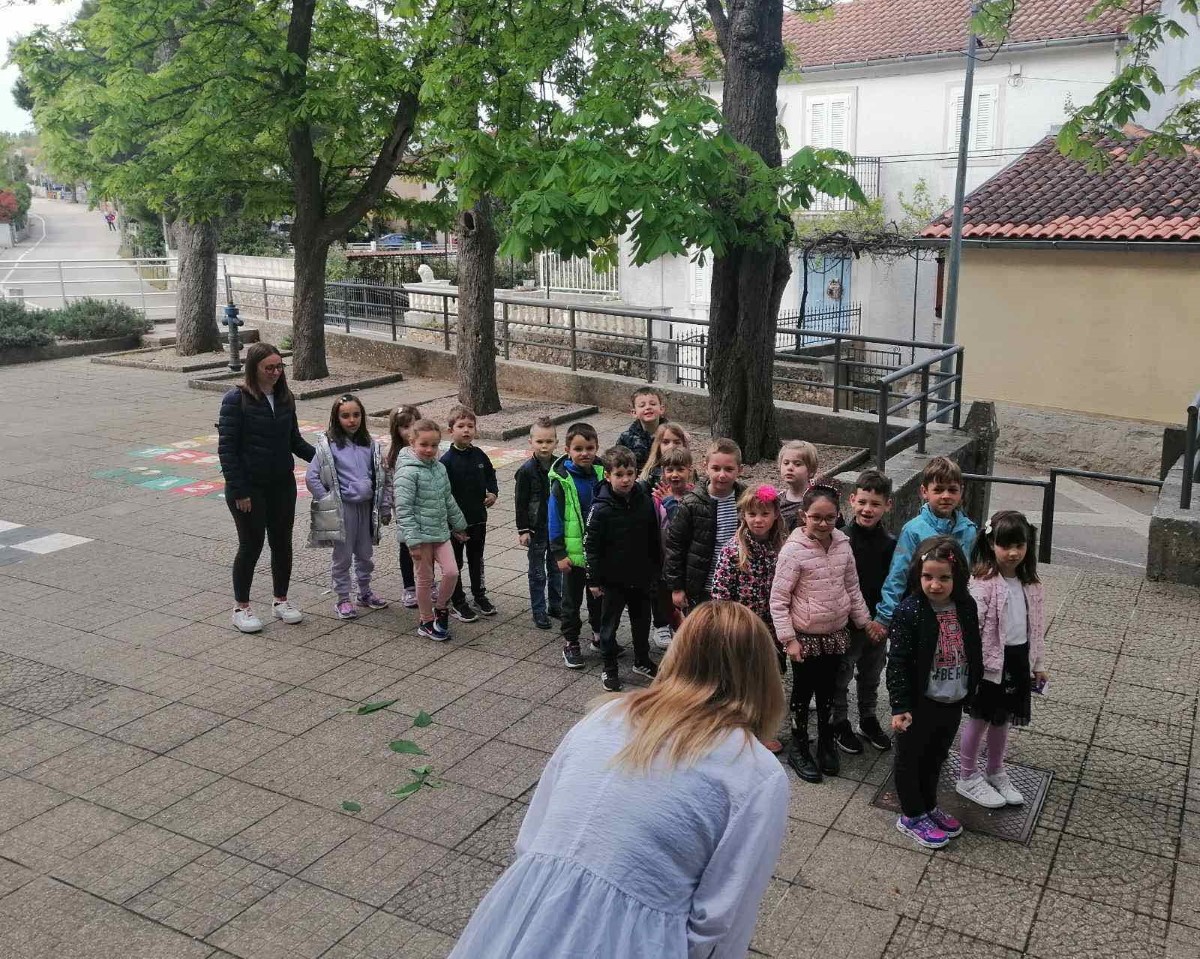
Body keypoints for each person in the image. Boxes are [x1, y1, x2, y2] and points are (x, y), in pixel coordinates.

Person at [448, 601, 790, 959]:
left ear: (678, 654)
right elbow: (721, 917)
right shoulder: (756, 773)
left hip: (525, 915)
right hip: (636, 941)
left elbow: (532, 835)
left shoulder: (608, 713)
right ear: (762, 674)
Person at [770, 480, 876, 783]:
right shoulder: (793, 551)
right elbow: (778, 599)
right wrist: (789, 639)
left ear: (838, 516)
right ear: (803, 515)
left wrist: (865, 621)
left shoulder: (843, 545)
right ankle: (800, 745)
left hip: (835, 633)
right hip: (804, 637)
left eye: (830, 517)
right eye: (816, 517)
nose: (823, 523)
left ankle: (826, 741)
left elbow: (852, 587)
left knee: (829, 690)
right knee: (803, 692)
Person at [886, 535, 982, 850]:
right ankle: (912, 814)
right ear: (918, 574)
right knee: (910, 758)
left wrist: (973, 689)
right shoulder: (910, 610)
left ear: (958, 577)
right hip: (919, 702)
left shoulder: (966, 606)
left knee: (936, 756)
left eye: (944, 578)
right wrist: (900, 706)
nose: (935, 585)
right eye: (927, 576)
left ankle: (928, 805)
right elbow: (898, 662)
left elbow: (973, 648)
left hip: (952, 698)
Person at [217, 343, 315, 634]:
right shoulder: (235, 399)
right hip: (249, 488)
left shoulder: (285, 397)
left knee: (282, 543)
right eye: (268, 368)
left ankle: (280, 601)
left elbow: (294, 441)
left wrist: (326, 458)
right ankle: (241, 608)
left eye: (279, 367)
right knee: (251, 545)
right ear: (254, 368)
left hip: (282, 484)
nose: (275, 372)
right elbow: (227, 450)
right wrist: (240, 490)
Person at [957, 510, 1048, 809]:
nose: (1013, 553)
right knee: (980, 718)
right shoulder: (982, 583)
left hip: (1018, 659)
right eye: (1005, 545)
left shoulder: (1031, 584)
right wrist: (969, 665)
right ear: (990, 544)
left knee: (1003, 718)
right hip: (989, 664)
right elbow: (972, 628)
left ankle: (995, 770)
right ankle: (967, 775)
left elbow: (1037, 626)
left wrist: (1038, 664)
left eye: (1019, 545)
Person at [711, 485, 789, 752]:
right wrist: (728, 627)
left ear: (775, 515)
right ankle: (736, 730)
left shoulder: (782, 547)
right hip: (742, 628)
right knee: (740, 681)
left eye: (764, 513)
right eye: (752, 513)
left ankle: (762, 729)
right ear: (743, 515)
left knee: (767, 679)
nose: (758, 519)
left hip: (773, 628)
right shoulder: (733, 550)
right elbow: (720, 594)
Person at [305, 394, 391, 618]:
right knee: (342, 556)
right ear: (336, 418)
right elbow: (312, 477)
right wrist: (328, 501)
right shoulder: (328, 447)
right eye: (345, 416)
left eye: (356, 415)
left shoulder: (371, 445)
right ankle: (343, 598)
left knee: (365, 554)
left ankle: (364, 592)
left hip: (366, 508)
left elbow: (382, 478)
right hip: (343, 510)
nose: (352, 420)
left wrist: (384, 506)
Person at [586, 446, 663, 692]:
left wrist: (655, 569)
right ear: (607, 475)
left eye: (630, 473)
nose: (626, 479)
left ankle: (642, 660)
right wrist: (593, 579)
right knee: (609, 625)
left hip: (641, 576)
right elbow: (591, 546)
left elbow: (653, 536)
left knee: (642, 621)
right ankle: (609, 668)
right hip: (613, 580)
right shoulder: (600, 508)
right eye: (619, 474)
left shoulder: (644, 500)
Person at [831, 469, 897, 755]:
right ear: (852, 500)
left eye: (875, 504)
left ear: (887, 505)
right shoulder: (840, 540)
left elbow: (893, 583)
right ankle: (839, 721)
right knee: (841, 675)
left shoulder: (891, 544)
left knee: (871, 675)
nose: (867, 509)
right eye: (862, 502)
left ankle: (867, 718)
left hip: (877, 624)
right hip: (847, 624)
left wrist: (883, 621)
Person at [875, 456, 977, 632]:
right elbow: (898, 575)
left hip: (956, 612)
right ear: (924, 491)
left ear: (961, 491)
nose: (946, 496)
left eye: (952, 490)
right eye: (938, 490)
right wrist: (884, 617)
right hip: (920, 612)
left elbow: (972, 573)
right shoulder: (913, 530)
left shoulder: (969, 530)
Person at [394, 418, 469, 642]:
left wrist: (459, 525)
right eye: (424, 445)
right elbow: (404, 510)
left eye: (434, 445)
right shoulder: (407, 472)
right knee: (425, 580)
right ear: (412, 443)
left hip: (440, 533)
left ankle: (441, 608)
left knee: (451, 572)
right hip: (420, 538)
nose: (429, 450)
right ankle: (426, 621)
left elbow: (448, 499)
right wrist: (412, 542)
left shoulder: (439, 468)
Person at [665, 438, 745, 613]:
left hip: (736, 585)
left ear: (740, 470)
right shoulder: (691, 503)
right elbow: (675, 546)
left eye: (729, 469)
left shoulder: (745, 499)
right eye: (716, 468)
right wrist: (677, 587)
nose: (722, 475)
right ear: (705, 467)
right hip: (702, 585)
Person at [549, 422, 605, 669]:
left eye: (589, 448)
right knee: (571, 602)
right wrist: (559, 552)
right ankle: (571, 642)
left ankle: (599, 636)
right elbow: (554, 518)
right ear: (567, 450)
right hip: (572, 555)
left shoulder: (602, 474)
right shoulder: (562, 481)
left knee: (598, 597)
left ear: (596, 448)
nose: (584, 453)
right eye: (578, 449)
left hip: (598, 553)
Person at [441, 405, 499, 622]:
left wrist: (493, 492)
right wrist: (452, 525)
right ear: (450, 431)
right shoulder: (446, 462)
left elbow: (491, 475)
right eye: (461, 426)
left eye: (470, 426)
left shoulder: (479, 455)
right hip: (456, 525)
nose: (466, 430)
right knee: (455, 563)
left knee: (477, 559)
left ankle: (479, 595)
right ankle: (457, 601)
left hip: (478, 520)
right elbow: (444, 495)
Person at [515, 417, 562, 630]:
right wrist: (523, 530)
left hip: (556, 527)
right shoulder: (526, 471)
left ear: (556, 442)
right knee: (537, 572)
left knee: (556, 568)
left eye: (549, 441)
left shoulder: (561, 466)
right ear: (531, 442)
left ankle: (556, 605)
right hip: (535, 528)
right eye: (540, 441)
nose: (544, 446)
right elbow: (521, 502)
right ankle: (538, 610)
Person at [650, 445, 695, 649]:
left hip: (686, 563)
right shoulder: (656, 498)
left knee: (685, 603)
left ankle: (686, 638)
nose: (674, 475)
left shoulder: (693, 497)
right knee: (664, 599)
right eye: (669, 470)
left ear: (690, 470)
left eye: (680, 469)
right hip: (663, 560)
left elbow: (682, 527)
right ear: (662, 472)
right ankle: (666, 628)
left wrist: (669, 502)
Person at [385, 404, 422, 609]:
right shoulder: (391, 455)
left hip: (425, 506)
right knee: (406, 545)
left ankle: (427, 581)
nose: (409, 431)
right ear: (396, 430)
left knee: (428, 545)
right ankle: (409, 587)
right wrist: (388, 507)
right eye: (404, 427)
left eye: (413, 425)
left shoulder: (427, 449)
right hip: (403, 508)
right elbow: (388, 484)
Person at [617, 386, 667, 472]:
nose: (648, 407)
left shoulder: (671, 435)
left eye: (653, 404)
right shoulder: (626, 438)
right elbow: (616, 462)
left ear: (661, 409)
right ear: (634, 412)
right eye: (642, 405)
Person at [777, 440, 819, 532]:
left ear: (811, 471)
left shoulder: (817, 501)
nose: (789, 468)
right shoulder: (777, 499)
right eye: (786, 463)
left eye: (797, 464)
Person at [638, 422, 691, 487]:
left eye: (677, 442)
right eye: (666, 442)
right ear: (658, 446)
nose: (671, 446)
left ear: (684, 445)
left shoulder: (689, 469)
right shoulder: (649, 475)